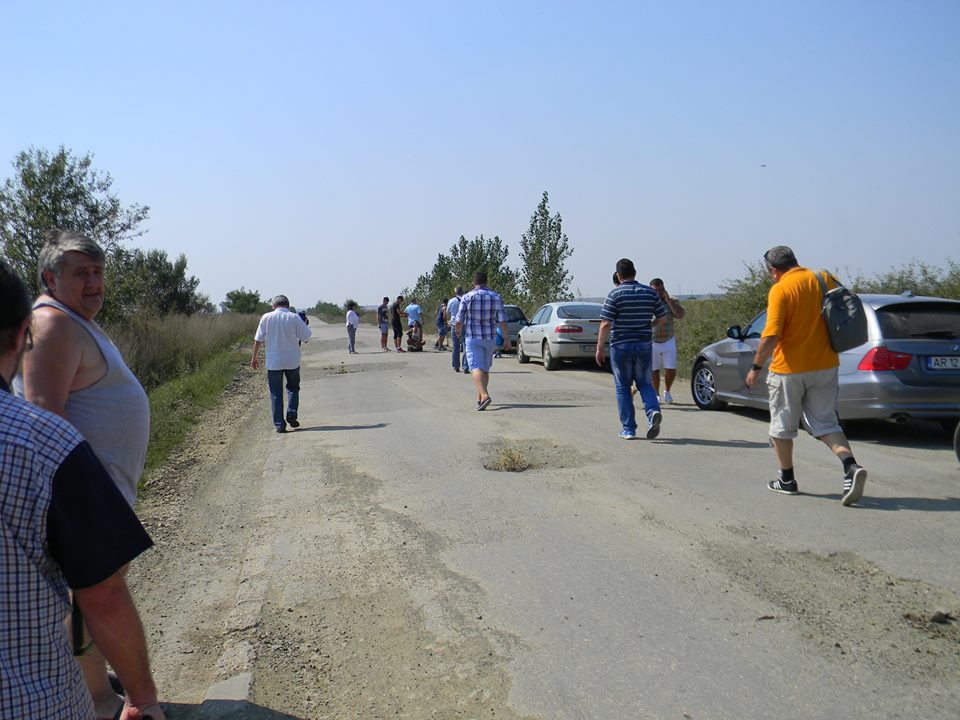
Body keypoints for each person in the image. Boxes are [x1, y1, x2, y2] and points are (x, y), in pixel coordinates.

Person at [1, 259, 164, 720]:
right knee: (85, 593)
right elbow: (103, 596)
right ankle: (99, 696)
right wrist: (143, 699)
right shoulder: (40, 442)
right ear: (23, 334)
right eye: (80, 273)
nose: (93, 282)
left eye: (98, 271)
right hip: (33, 703)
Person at [745, 246, 867, 506]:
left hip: (789, 369)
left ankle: (786, 479)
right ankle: (850, 466)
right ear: (795, 260)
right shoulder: (823, 277)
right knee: (827, 423)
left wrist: (756, 367)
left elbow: (771, 334)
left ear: (773, 270)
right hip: (825, 364)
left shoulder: (780, 289)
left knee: (781, 427)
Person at [596, 259, 667, 440]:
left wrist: (599, 348)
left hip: (621, 345)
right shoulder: (649, 293)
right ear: (635, 272)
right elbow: (662, 318)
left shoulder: (614, 294)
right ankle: (653, 412)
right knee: (645, 384)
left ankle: (628, 429)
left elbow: (606, 324)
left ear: (619, 275)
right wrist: (650, 327)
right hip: (644, 345)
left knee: (623, 386)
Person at [251, 294, 312, 433]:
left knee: (276, 393)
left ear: (274, 306)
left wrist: (254, 357)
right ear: (288, 305)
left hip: (274, 362)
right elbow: (306, 337)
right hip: (292, 360)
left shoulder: (266, 317)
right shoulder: (294, 317)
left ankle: (279, 424)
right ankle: (291, 414)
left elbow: (258, 339)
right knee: (293, 388)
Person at [455, 271, 510, 410]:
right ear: (486, 281)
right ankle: (480, 397)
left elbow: (459, 320)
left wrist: (458, 332)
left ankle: (485, 396)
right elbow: (502, 320)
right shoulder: (496, 296)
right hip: (490, 338)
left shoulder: (467, 297)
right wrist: (507, 338)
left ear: (474, 282)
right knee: (485, 369)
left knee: (475, 367)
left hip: (473, 337)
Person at [649, 278, 685, 404]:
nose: (659, 293)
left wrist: (668, 300)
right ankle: (656, 393)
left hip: (668, 339)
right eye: (656, 290)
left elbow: (680, 315)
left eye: (661, 290)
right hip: (652, 341)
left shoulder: (672, 300)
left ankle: (667, 390)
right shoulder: (648, 302)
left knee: (671, 369)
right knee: (654, 370)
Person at [446, 286, 469, 373]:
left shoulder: (451, 301)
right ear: (462, 291)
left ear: (455, 292)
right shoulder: (466, 300)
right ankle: (465, 366)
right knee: (466, 345)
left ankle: (456, 366)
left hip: (454, 324)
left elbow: (447, 312)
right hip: (465, 324)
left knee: (456, 346)